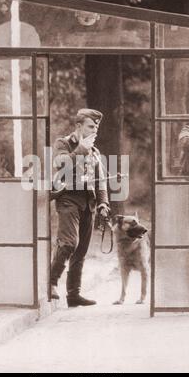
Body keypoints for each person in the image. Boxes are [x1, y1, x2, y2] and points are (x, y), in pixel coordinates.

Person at [50, 108, 110, 307]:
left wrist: (103, 203)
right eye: (90, 127)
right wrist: (81, 149)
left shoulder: (94, 151)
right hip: (68, 199)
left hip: (88, 203)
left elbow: (100, 179)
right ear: (78, 126)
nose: (94, 131)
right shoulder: (63, 143)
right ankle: (51, 282)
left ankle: (73, 294)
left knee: (81, 251)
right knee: (69, 243)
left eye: (97, 128)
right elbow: (62, 166)